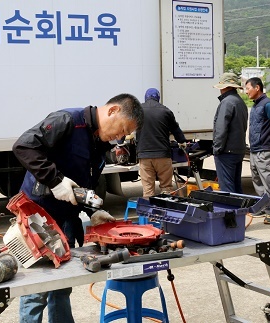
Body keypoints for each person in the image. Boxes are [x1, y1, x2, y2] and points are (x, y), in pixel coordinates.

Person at [12, 93, 144, 323]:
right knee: (36, 288)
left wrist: (94, 211)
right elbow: (23, 146)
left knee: (63, 284)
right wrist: (55, 180)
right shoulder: (68, 121)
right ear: (112, 111)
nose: (120, 137)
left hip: (66, 220)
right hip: (39, 216)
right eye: (122, 129)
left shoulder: (99, 143)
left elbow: (84, 184)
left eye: (125, 134)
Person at [245, 77, 270, 224]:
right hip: (255, 149)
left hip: (265, 150)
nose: (246, 91)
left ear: (257, 88)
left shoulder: (268, 105)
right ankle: (263, 206)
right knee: (257, 180)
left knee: (269, 181)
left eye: (248, 88)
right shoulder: (256, 105)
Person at [136, 88, 186, 197]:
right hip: (162, 155)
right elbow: (175, 129)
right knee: (166, 188)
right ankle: (166, 212)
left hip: (144, 156)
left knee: (148, 190)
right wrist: (182, 141)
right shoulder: (166, 111)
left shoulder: (138, 111)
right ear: (158, 98)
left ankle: (148, 213)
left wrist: (120, 143)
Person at [212, 73, 248, 193]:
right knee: (236, 186)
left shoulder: (227, 102)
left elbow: (221, 128)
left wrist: (217, 149)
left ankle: (230, 211)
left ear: (225, 87)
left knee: (227, 188)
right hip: (238, 149)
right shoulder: (240, 102)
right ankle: (239, 211)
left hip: (227, 151)